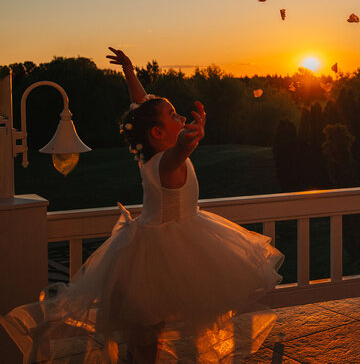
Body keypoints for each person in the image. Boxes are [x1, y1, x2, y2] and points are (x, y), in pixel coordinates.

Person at [3, 48, 284, 364]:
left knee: (151, 326)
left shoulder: (150, 156)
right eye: (174, 116)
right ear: (158, 133)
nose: (181, 118)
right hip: (163, 251)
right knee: (149, 328)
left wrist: (129, 71)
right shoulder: (167, 161)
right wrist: (191, 138)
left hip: (156, 246)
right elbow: (178, 149)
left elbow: (141, 106)